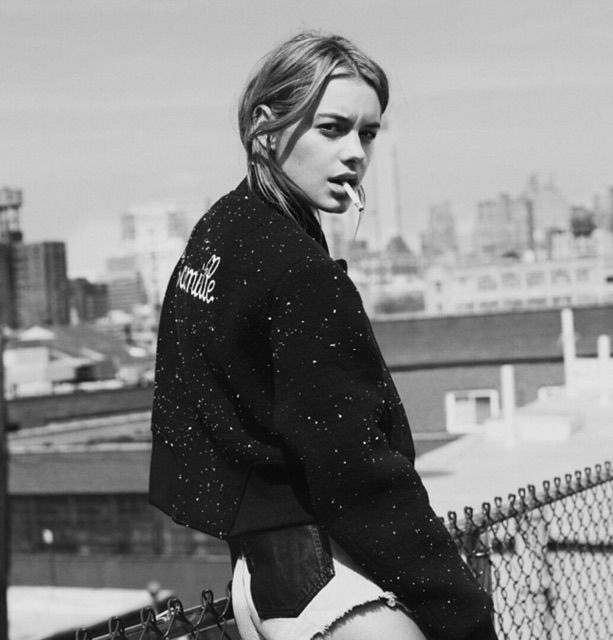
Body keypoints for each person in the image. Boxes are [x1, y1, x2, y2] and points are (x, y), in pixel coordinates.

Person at [149, 31, 498, 640]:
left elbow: (195, 397)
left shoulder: (221, 230)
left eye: (368, 133)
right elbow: (357, 471)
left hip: (258, 582)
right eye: (332, 129)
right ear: (266, 127)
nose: (356, 153)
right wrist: (464, 612)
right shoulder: (299, 272)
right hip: (338, 593)